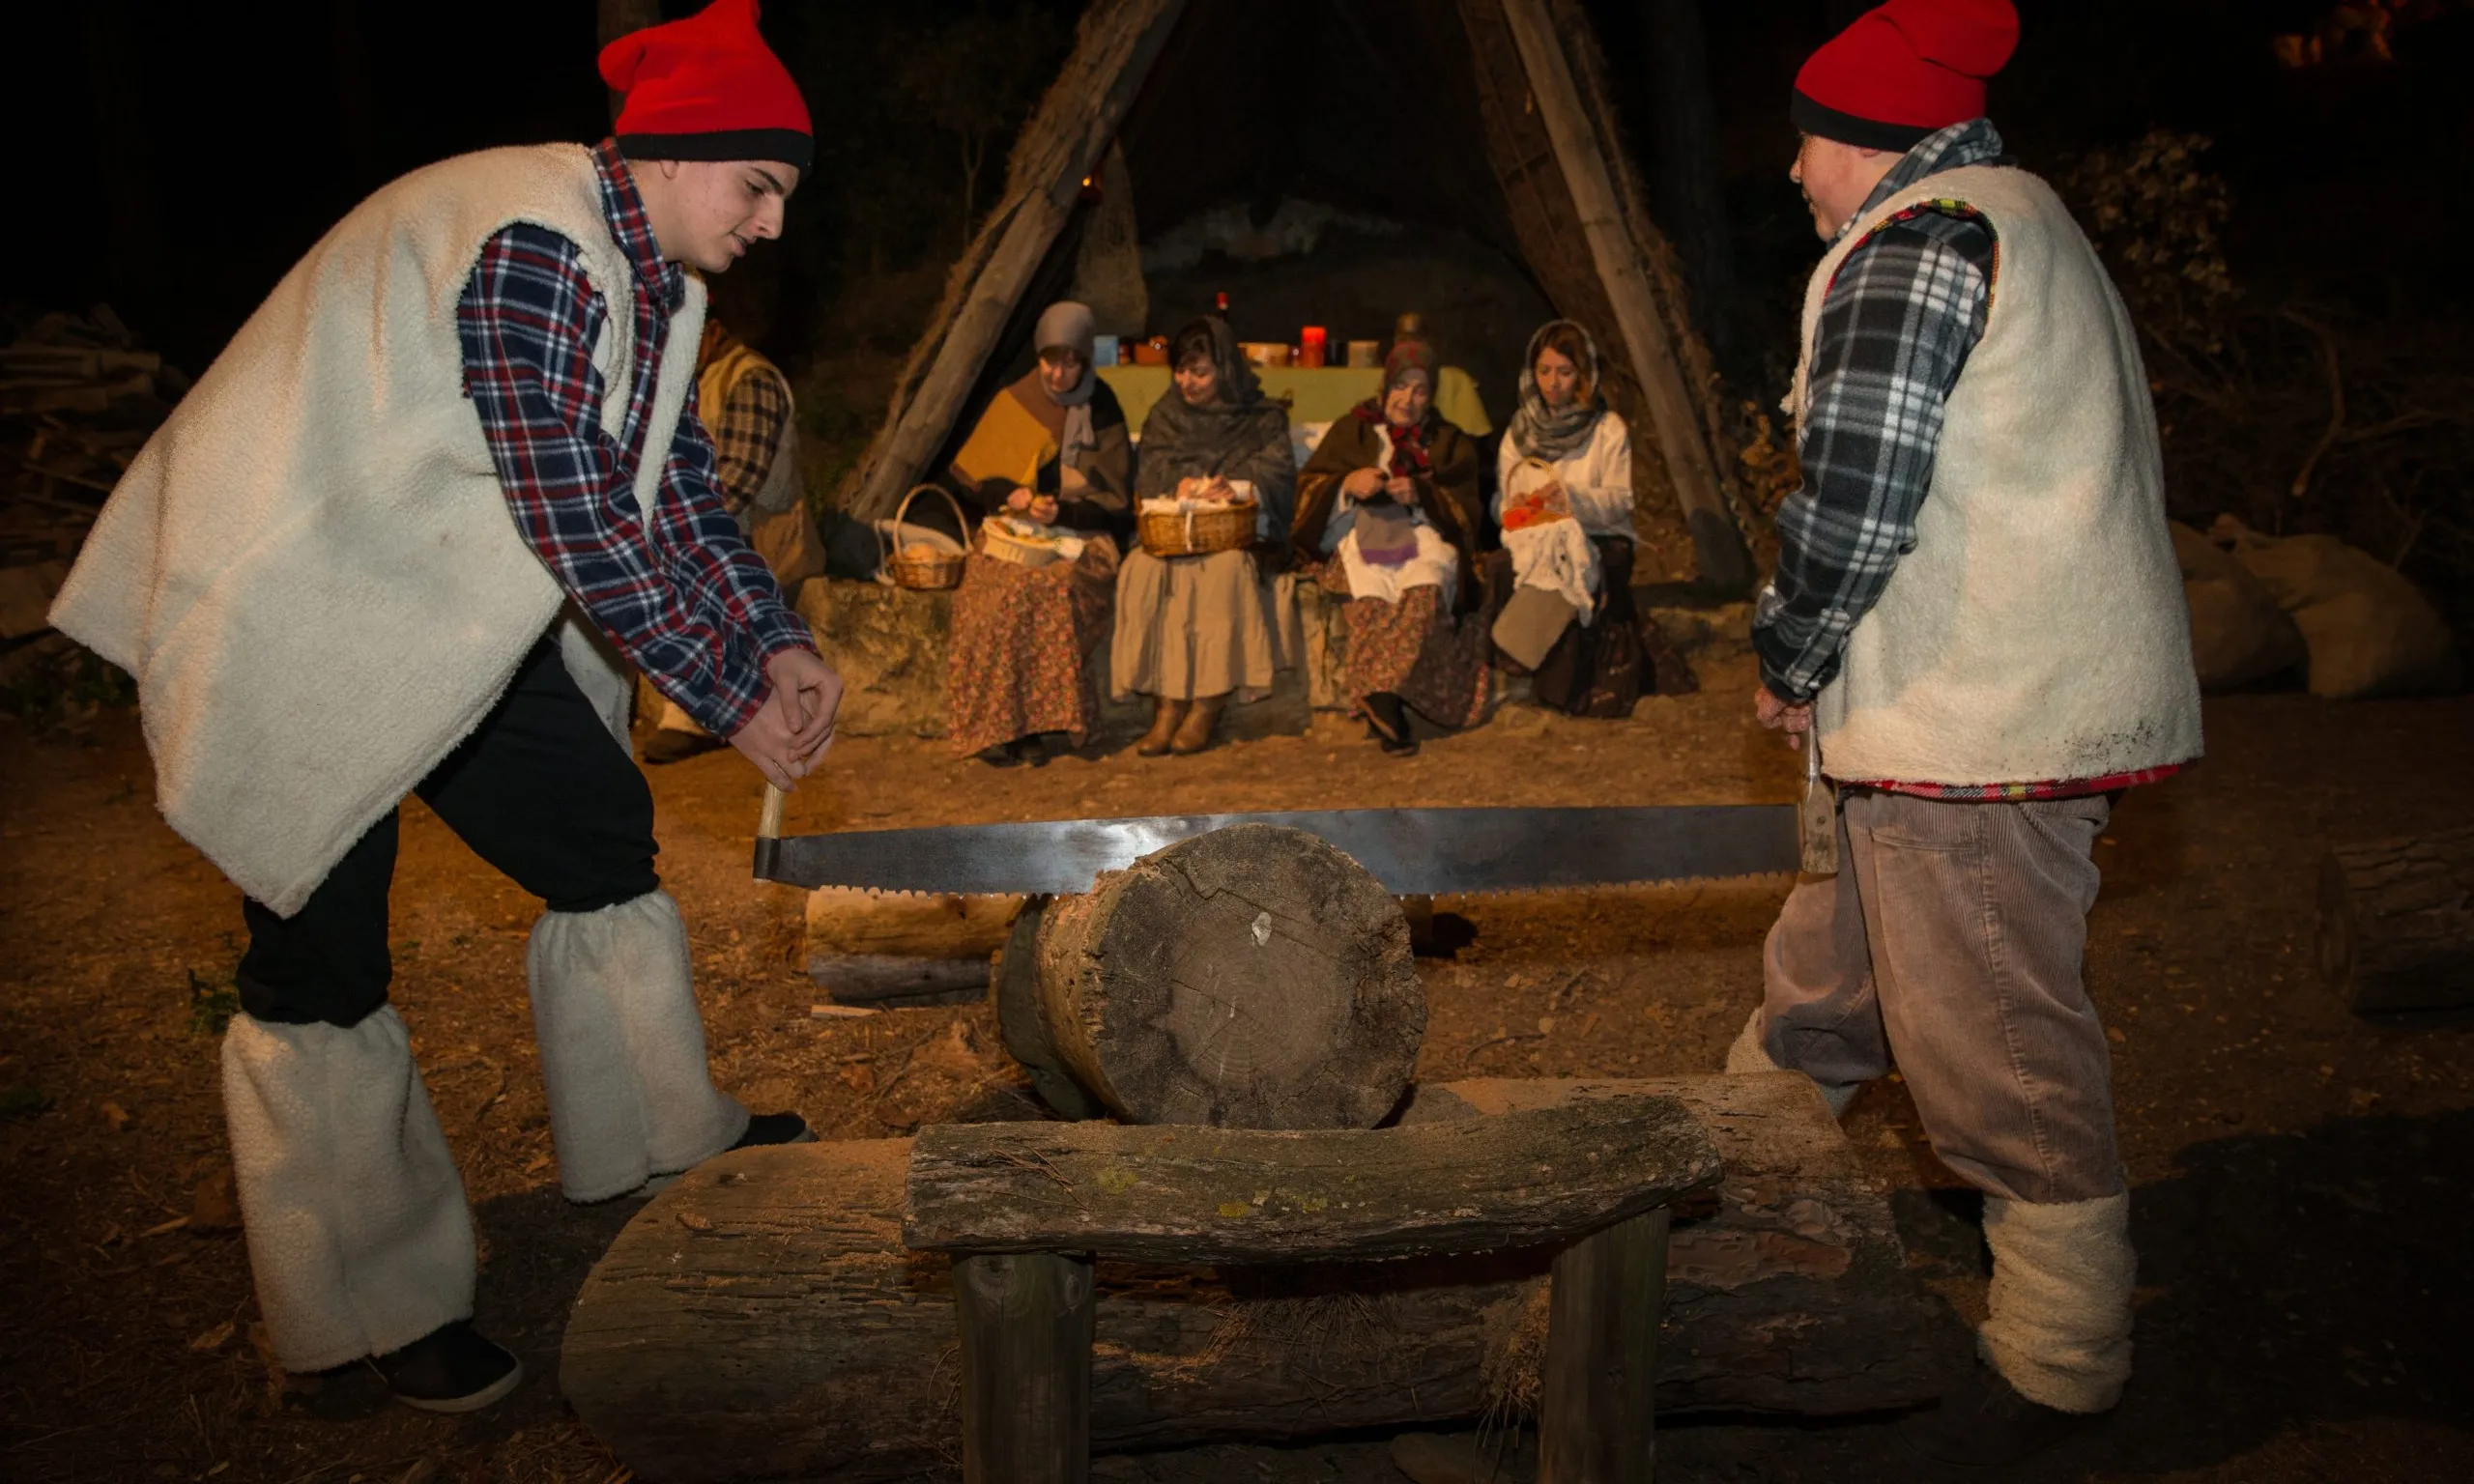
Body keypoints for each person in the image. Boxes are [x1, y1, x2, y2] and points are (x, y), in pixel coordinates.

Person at [48, 0, 842, 1414]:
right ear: (673, 152)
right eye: (759, 185)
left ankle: (658, 1134)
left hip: (444, 605)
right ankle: (361, 1315)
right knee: (322, 955)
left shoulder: (658, 278)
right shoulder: (534, 237)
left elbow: (670, 489)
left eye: (784, 192)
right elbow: (580, 513)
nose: (774, 220)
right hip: (303, 612)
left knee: (597, 837)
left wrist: (770, 636)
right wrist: (724, 693)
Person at [1723, 0, 2201, 1466]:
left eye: (1805, 142)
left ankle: (2058, 1355)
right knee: (1835, 978)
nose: (1796, 173)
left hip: (1983, 730)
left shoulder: (1918, 242)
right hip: (1951, 721)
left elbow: (1859, 499)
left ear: (1862, 138)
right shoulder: (2021, 215)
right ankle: (1731, 1205)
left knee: (1992, 1030)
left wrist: (1788, 653)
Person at [942, 301, 1134, 764]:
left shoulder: (1101, 407)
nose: (1058, 373)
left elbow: (1114, 499)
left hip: (1083, 534)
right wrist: (1012, 494)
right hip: (1016, 532)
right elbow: (976, 478)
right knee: (989, 590)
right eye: (1051, 360)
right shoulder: (1017, 399)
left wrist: (1061, 506)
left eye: (1071, 362)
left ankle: (1040, 724)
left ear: (1086, 360)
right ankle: (1000, 728)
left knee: (1045, 589)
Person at [642, 313, 831, 764]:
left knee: (703, 579)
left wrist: (675, 529)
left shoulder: (751, 381)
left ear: (709, 330)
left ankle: (697, 717)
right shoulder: (703, 378)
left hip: (771, 538)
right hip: (733, 531)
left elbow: (737, 480)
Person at [1292, 338, 1489, 756]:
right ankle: (1387, 703)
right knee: (1372, 595)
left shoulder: (1448, 442)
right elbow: (1308, 488)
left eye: (1420, 390)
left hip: (1423, 537)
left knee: (1426, 588)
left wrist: (1421, 494)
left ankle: (1381, 696)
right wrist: (1346, 485)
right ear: (1385, 387)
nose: (1408, 399)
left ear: (1431, 395)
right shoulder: (1353, 430)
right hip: (1363, 535)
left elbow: (1468, 509)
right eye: (1401, 386)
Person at [1111, 317, 1295, 756]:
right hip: (1173, 531)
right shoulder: (1166, 415)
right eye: (1180, 370)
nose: (1186, 382)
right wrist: (1181, 485)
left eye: (1200, 371)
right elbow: (1151, 471)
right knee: (1143, 567)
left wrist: (1237, 485)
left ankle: (1207, 704)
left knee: (1223, 570)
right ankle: (1167, 704)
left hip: (1235, 534)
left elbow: (1278, 472)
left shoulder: (1261, 417)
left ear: (1225, 369)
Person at [1493, 320, 1647, 717]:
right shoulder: (1519, 432)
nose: (1553, 383)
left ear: (1583, 375)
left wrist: (1570, 499)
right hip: (1534, 535)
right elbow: (1506, 501)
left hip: (1599, 534)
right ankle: (1517, 668)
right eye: (1544, 371)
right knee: (1508, 565)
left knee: (1570, 562)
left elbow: (1619, 502)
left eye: (1564, 372)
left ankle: (1555, 689)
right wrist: (1527, 507)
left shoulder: (1607, 430)